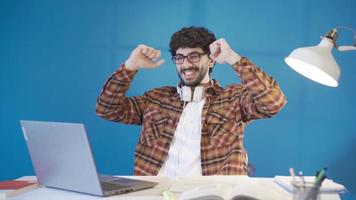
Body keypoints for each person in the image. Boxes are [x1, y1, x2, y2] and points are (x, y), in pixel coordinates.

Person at [96, 26, 287, 176]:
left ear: (211, 60)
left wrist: (233, 58)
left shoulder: (233, 99)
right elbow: (106, 109)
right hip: (155, 193)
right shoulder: (156, 99)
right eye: (179, 58)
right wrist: (130, 67)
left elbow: (273, 102)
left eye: (194, 56)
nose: (186, 64)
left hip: (212, 194)